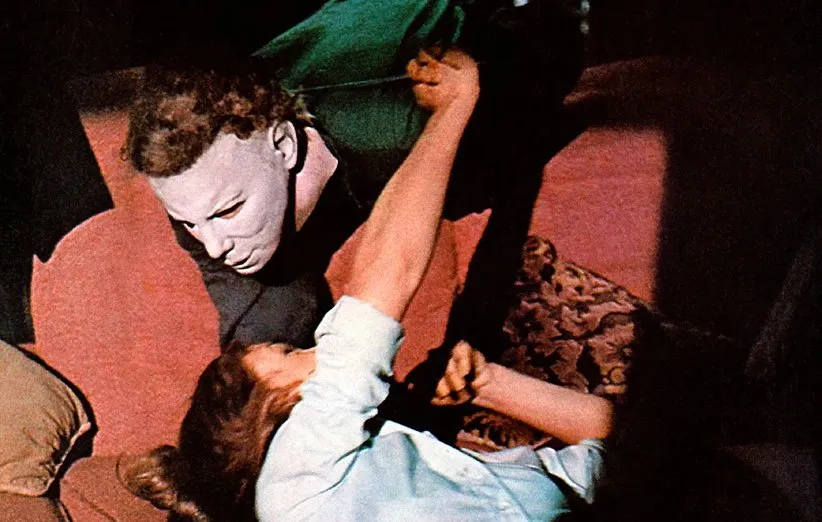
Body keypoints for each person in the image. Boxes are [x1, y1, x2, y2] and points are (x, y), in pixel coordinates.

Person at [121, 48, 611, 522]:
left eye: (227, 210)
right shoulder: (296, 479)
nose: (211, 245)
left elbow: (627, 450)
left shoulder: (405, 466)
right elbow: (385, 278)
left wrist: (491, 385)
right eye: (293, 352)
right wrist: (453, 109)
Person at [124, 0, 585, 349]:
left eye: (228, 211)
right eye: (189, 222)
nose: (214, 246)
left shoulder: (395, 134)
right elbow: (260, 348)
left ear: (284, 146)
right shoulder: (200, 196)